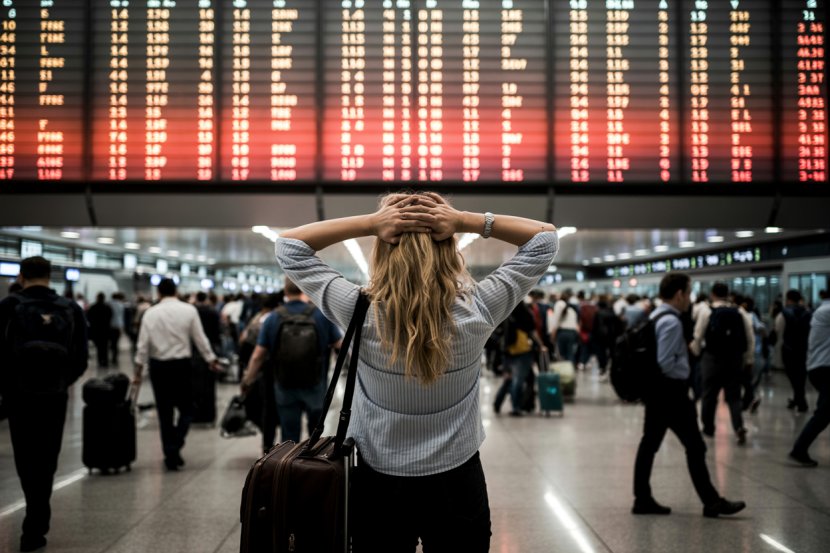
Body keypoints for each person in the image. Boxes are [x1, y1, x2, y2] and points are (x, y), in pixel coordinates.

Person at [271, 192, 557, 551]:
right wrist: (464, 220)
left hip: (378, 480)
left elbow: (289, 246)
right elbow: (544, 240)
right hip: (458, 478)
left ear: (382, 249)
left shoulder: (358, 310)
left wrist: (370, 224)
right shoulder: (480, 308)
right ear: (449, 250)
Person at [633, 272, 745, 519]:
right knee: (695, 447)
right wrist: (682, 371)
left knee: (649, 444)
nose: (690, 297)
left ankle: (642, 498)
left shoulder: (656, 315)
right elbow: (664, 361)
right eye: (689, 292)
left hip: (658, 392)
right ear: (679, 294)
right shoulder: (671, 322)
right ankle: (711, 502)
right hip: (671, 392)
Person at [0, 257, 88, 552]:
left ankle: (34, 515)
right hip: (55, 395)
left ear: (21, 276)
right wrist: (62, 381)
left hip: (19, 395)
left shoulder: (9, 306)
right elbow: (81, 358)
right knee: (48, 457)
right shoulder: (70, 308)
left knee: (25, 457)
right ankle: (37, 521)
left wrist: (8, 386)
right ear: (51, 276)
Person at [133, 278, 220, 471]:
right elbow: (200, 339)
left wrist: (138, 371)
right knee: (187, 409)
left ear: (159, 293)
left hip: (158, 367)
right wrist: (211, 359)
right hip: (182, 366)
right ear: (176, 291)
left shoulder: (150, 313)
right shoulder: (189, 310)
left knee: (165, 412)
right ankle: (175, 445)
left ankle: (170, 452)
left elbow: (142, 345)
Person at [240, 281, 342, 444]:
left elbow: (258, 355)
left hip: (285, 385)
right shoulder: (321, 316)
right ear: (305, 290)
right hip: (315, 384)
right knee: (316, 432)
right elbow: (341, 346)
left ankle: (290, 458)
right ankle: (313, 457)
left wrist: (248, 380)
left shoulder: (273, 317)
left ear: (285, 292)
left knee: (289, 434)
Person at [690, 283, 753, 444]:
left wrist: (696, 354)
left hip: (712, 359)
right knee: (734, 397)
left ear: (712, 294)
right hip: (734, 360)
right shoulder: (739, 311)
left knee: (709, 395)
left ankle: (708, 428)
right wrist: (749, 359)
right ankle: (738, 427)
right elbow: (749, 336)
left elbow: (698, 335)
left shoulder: (707, 311)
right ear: (728, 294)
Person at [790, 290, 830, 466]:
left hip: (820, 367)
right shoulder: (827, 311)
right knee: (824, 413)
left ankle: (800, 448)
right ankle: (799, 449)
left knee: (825, 412)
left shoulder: (822, 309)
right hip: (825, 369)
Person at [238, 293, 283, 452]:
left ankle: (267, 446)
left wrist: (247, 377)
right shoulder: (277, 319)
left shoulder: (257, 319)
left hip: (261, 370)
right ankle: (287, 449)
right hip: (277, 369)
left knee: (267, 409)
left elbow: (244, 342)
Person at [493, 301, 544, 416]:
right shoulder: (524, 314)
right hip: (522, 351)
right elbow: (531, 331)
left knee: (512, 379)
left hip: (508, 351)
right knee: (517, 381)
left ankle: (499, 403)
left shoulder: (506, 312)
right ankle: (516, 407)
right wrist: (541, 345)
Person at [776, 290, 812, 413]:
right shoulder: (808, 312)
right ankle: (798, 399)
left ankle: (801, 401)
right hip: (803, 349)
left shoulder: (784, 313)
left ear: (788, 299)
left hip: (789, 349)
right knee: (801, 376)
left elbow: (778, 329)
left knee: (792, 376)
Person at [549, 288, 580, 364]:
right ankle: (570, 369)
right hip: (572, 332)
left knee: (562, 355)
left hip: (562, 332)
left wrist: (553, 333)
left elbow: (556, 319)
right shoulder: (572, 306)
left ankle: (565, 370)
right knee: (570, 354)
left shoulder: (559, 304)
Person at [87, 292, 113, 368]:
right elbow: (110, 317)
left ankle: (100, 361)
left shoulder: (93, 307)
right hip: (105, 330)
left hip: (96, 330)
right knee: (105, 346)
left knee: (99, 347)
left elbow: (89, 317)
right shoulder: (107, 307)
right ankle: (105, 361)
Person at [108, 292, 126, 365]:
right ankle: (114, 357)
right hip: (118, 326)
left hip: (110, 326)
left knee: (111, 342)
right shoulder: (121, 305)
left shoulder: (109, 304)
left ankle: (111, 355)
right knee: (116, 343)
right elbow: (121, 316)